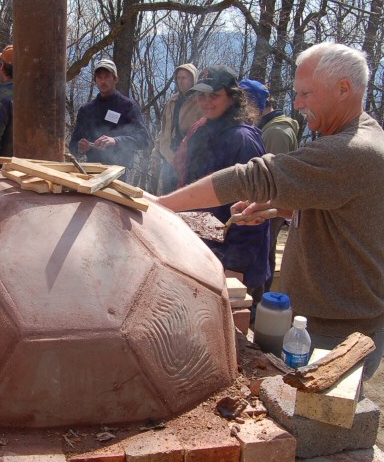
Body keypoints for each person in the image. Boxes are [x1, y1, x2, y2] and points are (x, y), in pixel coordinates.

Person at [157, 43, 384, 380]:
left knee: (310, 423)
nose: (297, 104)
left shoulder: (352, 150)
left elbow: (252, 176)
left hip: (335, 330)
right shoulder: (362, 135)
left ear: (343, 89)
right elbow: (341, 213)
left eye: (306, 93)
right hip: (325, 318)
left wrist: (157, 206)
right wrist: (277, 208)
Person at [178, 66, 270, 300]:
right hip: (207, 250)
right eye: (202, 95)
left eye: (214, 95)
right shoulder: (202, 132)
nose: (206, 101)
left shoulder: (242, 139)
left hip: (236, 265)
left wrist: (235, 267)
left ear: (232, 97)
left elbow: (253, 211)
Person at [239, 78, 299, 290]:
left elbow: (272, 177)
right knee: (266, 253)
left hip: (270, 205)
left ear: (253, 103)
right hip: (265, 204)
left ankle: (258, 301)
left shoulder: (277, 132)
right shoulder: (268, 128)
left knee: (262, 254)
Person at [69, 58, 151, 172]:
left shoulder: (128, 106)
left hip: (120, 173)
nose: (103, 81)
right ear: (95, 81)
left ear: (115, 79)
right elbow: (73, 145)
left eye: (107, 77)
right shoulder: (86, 110)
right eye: (99, 77)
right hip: (92, 171)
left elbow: (144, 140)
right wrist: (80, 147)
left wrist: (116, 141)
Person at [151, 63, 202, 194]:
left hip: (189, 162)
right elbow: (164, 131)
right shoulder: (172, 101)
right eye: (178, 78)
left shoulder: (200, 102)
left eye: (184, 78)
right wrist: (156, 153)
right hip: (169, 157)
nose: (181, 81)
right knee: (167, 198)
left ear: (193, 79)